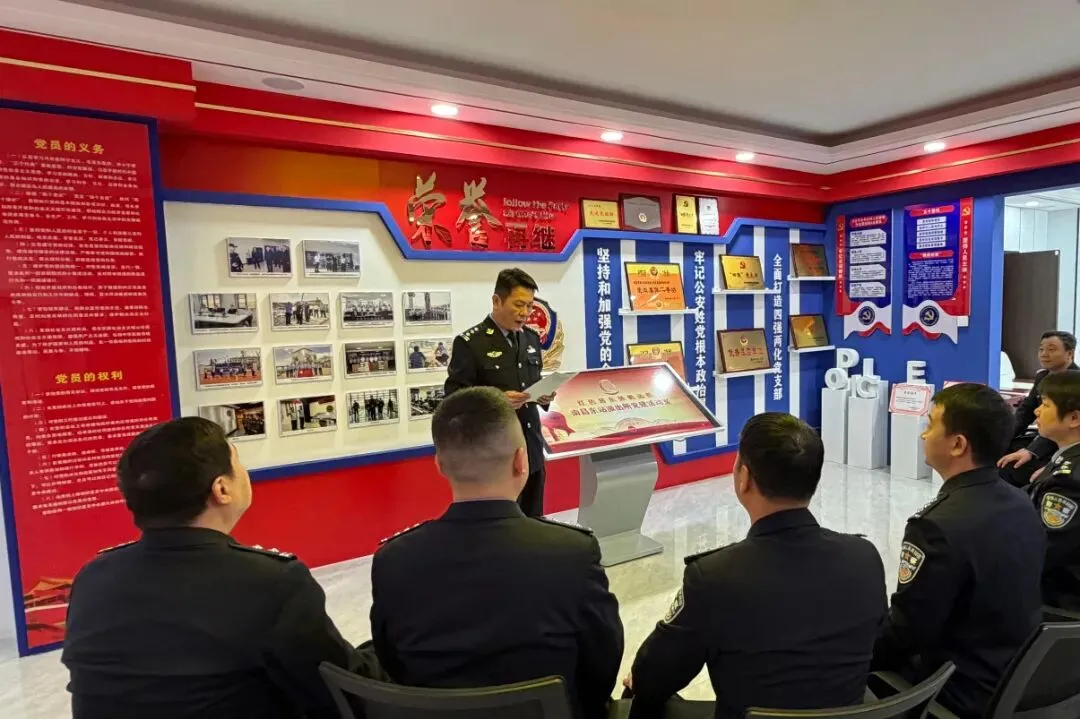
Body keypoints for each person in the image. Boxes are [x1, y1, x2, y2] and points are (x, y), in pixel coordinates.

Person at [62, 417, 359, 719]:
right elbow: (340, 691)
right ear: (222, 489)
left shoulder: (92, 578)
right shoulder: (272, 582)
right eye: (238, 463)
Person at [370, 387, 623, 719]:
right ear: (521, 461)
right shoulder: (572, 553)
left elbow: (392, 662)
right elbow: (602, 663)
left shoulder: (394, 560)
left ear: (440, 465)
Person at [625, 412, 886, 719]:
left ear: (744, 477)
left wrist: (638, 681)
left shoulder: (713, 578)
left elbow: (652, 675)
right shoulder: (865, 557)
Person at [873, 383, 1045, 718]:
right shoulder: (1021, 499)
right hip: (1015, 671)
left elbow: (908, 632)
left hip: (957, 686)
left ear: (957, 444)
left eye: (931, 426)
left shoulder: (936, 527)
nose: (924, 435)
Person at [445, 268, 554, 517]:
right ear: (497, 301)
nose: (525, 313)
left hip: (531, 450)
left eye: (529, 306)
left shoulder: (530, 339)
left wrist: (544, 396)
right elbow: (454, 400)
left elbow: (530, 382)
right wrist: (496, 400)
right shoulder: (471, 343)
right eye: (519, 305)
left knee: (534, 521)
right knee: (500, 526)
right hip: (494, 455)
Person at [1025, 372, 1080, 610]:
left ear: (1074, 418)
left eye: (1046, 405)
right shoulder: (1066, 460)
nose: (1037, 411)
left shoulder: (1068, 481)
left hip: (1059, 595)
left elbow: (1045, 549)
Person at [998, 330, 1079, 486]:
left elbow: (1061, 427)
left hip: (1060, 444)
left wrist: (1032, 451)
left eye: (1051, 349)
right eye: (1041, 349)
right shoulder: (1043, 376)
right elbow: (1025, 412)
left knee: (1010, 468)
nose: (1044, 354)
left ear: (1069, 353)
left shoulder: (1074, 384)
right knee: (998, 450)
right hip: (1044, 436)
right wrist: (1004, 436)